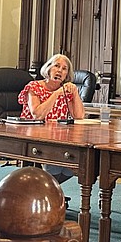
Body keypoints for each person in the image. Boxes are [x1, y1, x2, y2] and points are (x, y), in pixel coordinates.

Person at [20, 53, 86, 184]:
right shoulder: (34, 87)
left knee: (71, 166)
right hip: (35, 134)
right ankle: (45, 189)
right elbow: (37, 115)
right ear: (48, 68)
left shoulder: (66, 90)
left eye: (64, 68)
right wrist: (55, 94)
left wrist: (75, 93)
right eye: (57, 66)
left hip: (59, 136)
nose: (60, 71)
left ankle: (47, 189)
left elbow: (79, 116)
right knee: (55, 165)